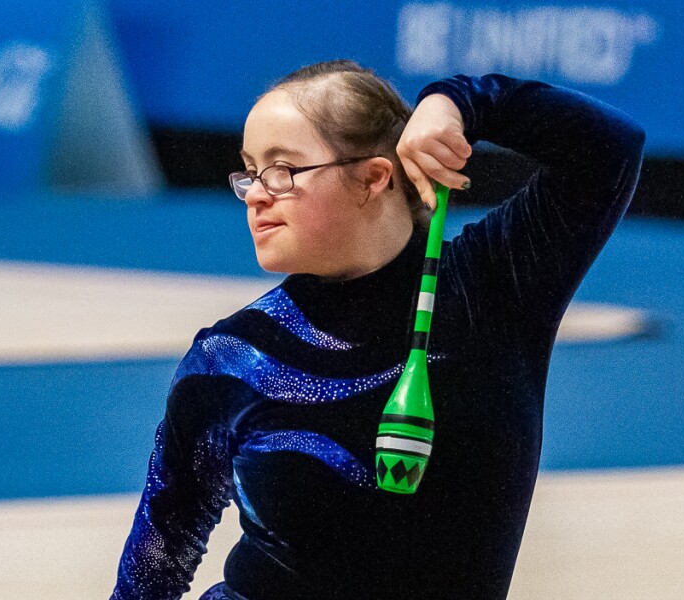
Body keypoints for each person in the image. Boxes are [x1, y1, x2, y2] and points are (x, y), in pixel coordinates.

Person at [111, 60, 645, 600]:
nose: (255, 193)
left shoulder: (495, 288)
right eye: (250, 171)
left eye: (282, 169)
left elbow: (609, 147)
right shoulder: (233, 357)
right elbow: (161, 550)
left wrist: (460, 100)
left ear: (372, 178)